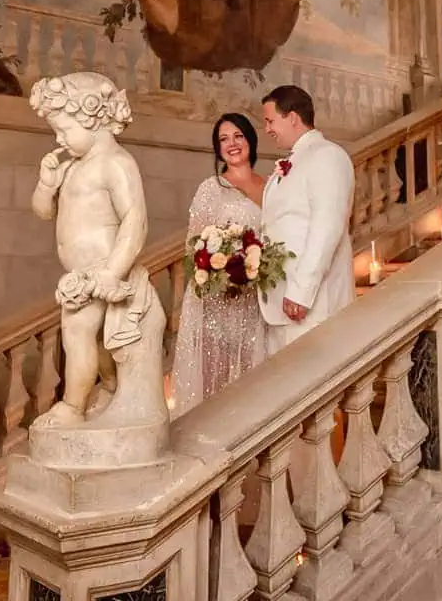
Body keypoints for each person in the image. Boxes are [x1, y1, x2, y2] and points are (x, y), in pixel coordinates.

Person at [27, 73, 164, 429]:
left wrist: (112, 271)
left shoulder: (116, 163)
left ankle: (73, 406)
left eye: (64, 130)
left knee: (77, 334)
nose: (59, 139)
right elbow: (44, 212)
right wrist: (46, 185)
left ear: (93, 119)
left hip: (101, 268)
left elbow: (135, 220)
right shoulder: (71, 166)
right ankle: (113, 388)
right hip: (79, 275)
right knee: (98, 344)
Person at [170, 114, 271, 414]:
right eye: (224, 139)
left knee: (253, 381)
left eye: (238, 136)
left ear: (250, 139)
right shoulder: (211, 188)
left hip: (257, 301)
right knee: (215, 384)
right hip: (217, 303)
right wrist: (221, 271)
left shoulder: (271, 186)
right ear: (218, 148)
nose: (232, 144)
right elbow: (194, 246)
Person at [257, 84, 355, 351]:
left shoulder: (327, 156)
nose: (267, 129)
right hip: (283, 307)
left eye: (270, 121)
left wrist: (301, 293)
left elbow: (327, 227)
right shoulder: (299, 158)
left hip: (313, 306)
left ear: (292, 117)